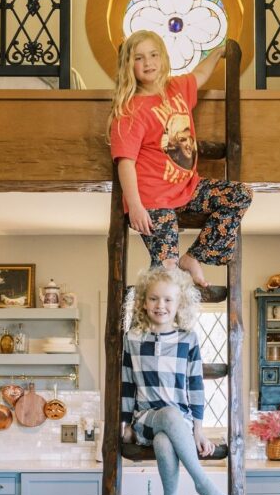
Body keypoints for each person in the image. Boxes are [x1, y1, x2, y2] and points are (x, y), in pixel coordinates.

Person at [108, 30, 252, 298]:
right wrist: (136, 206)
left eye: (153, 55)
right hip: (153, 200)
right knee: (167, 271)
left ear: (162, 58)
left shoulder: (175, 89)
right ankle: (157, 331)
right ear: (130, 66)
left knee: (239, 195)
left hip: (188, 188)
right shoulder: (130, 111)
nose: (148, 62)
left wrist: (218, 52)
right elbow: (125, 163)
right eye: (139, 58)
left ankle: (194, 256)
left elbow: (199, 75)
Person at [119, 265, 236, 495]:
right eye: (153, 298)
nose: (161, 305)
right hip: (145, 417)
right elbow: (126, 384)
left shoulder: (188, 339)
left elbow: (195, 386)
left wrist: (197, 429)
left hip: (180, 420)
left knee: (165, 437)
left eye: (168, 299)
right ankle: (202, 482)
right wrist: (124, 424)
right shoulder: (132, 339)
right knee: (167, 416)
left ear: (179, 303)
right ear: (143, 302)